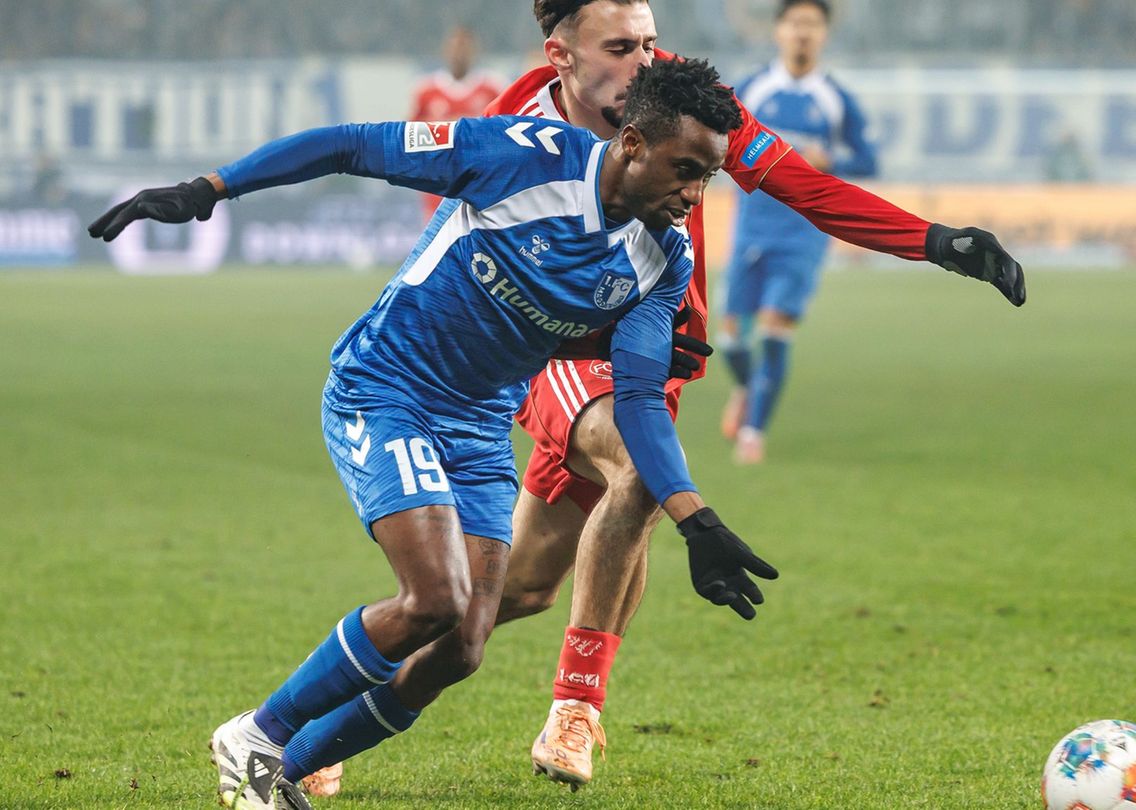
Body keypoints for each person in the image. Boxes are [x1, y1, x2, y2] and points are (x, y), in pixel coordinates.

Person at [308, 0, 1025, 795]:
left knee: (512, 595)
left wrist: (932, 241)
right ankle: (576, 708)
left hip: (655, 351)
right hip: (562, 351)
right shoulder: (516, 115)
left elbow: (800, 184)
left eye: (649, 40)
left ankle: (322, 728)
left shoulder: (684, 101)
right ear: (564, 52)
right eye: (621, 45)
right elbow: (457, 241)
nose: (643, 59)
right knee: (644, 474)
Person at [88, 58, 778, 810]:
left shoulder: (662, 261)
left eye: (708, 177)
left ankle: (286, 770)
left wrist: (695, 520)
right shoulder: (521, 157)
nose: (693, 194)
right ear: (632, 142)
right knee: (434, 599)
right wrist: (210, 189)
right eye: (684, 169)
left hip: (479, 427)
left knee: (463, 645)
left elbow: (641, 401)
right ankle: (258, 735)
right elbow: (354, 143)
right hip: (387, 390)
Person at [718, 0, 878, 464]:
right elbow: (717, 138)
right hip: (752, 225)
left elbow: (868, 160)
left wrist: (834, 164)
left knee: (773, 329)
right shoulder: (753, 88)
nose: (803, 33)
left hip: (805, 231)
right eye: (795, 23)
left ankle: (753, 434)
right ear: (779, 31)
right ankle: (751, 389)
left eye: (812, 25)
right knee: (730, 338)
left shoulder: (836, 99)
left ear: (823, 35)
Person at [409, 25, 505, 219]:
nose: (459, 54)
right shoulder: (427, 91)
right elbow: (410, 136)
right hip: (439, 184)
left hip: (479, 182)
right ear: (445, 51)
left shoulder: (492, 88)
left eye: (464, 48)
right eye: (454, 48)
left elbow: (504, 132)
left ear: (473, 51)